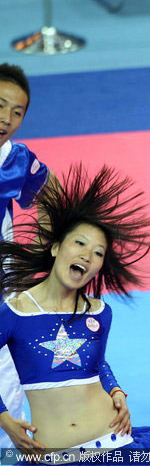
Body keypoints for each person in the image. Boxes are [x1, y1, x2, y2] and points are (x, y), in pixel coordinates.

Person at [0, 165, 150, 464]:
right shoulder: (15, 312)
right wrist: (5, 419)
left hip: (115, 447)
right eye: (79, 243)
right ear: (55, 248)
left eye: (98, 253)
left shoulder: (100, 312)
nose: (87, 255)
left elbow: (97, 364)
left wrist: (115, 390)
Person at [0, 63, 65, 453]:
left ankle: (10, 443)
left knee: (6, 362)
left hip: (3, 279)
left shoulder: (17, 159)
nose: (6, 119)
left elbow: (51, 194)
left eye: (17, 112)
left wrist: (39, 253)